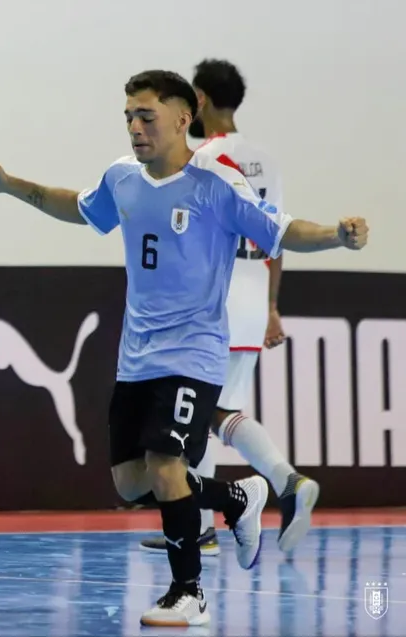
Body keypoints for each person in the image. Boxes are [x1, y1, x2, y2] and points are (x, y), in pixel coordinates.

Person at [0, 70, 368, 627]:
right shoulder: (122, 178)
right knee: (131, 483)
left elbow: (281, 232)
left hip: (195, 350)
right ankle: (237, 499)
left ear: (184, 118)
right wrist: (11, 184)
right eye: (129, 118)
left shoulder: (216, 183)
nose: (136, 128)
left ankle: (189, 592)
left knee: (167, 465)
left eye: (147, 117)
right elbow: (76, 205)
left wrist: (336, 234)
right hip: (137, 354)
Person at [140, 59, 319, 559]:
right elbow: (276, 236)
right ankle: (202, 524)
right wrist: (272, 305)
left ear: (198, 99)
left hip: (215, 297)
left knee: (207, 412)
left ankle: (284, 481)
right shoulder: (268, 160)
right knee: (211, 413)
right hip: (254, 290)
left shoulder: (205, 158)